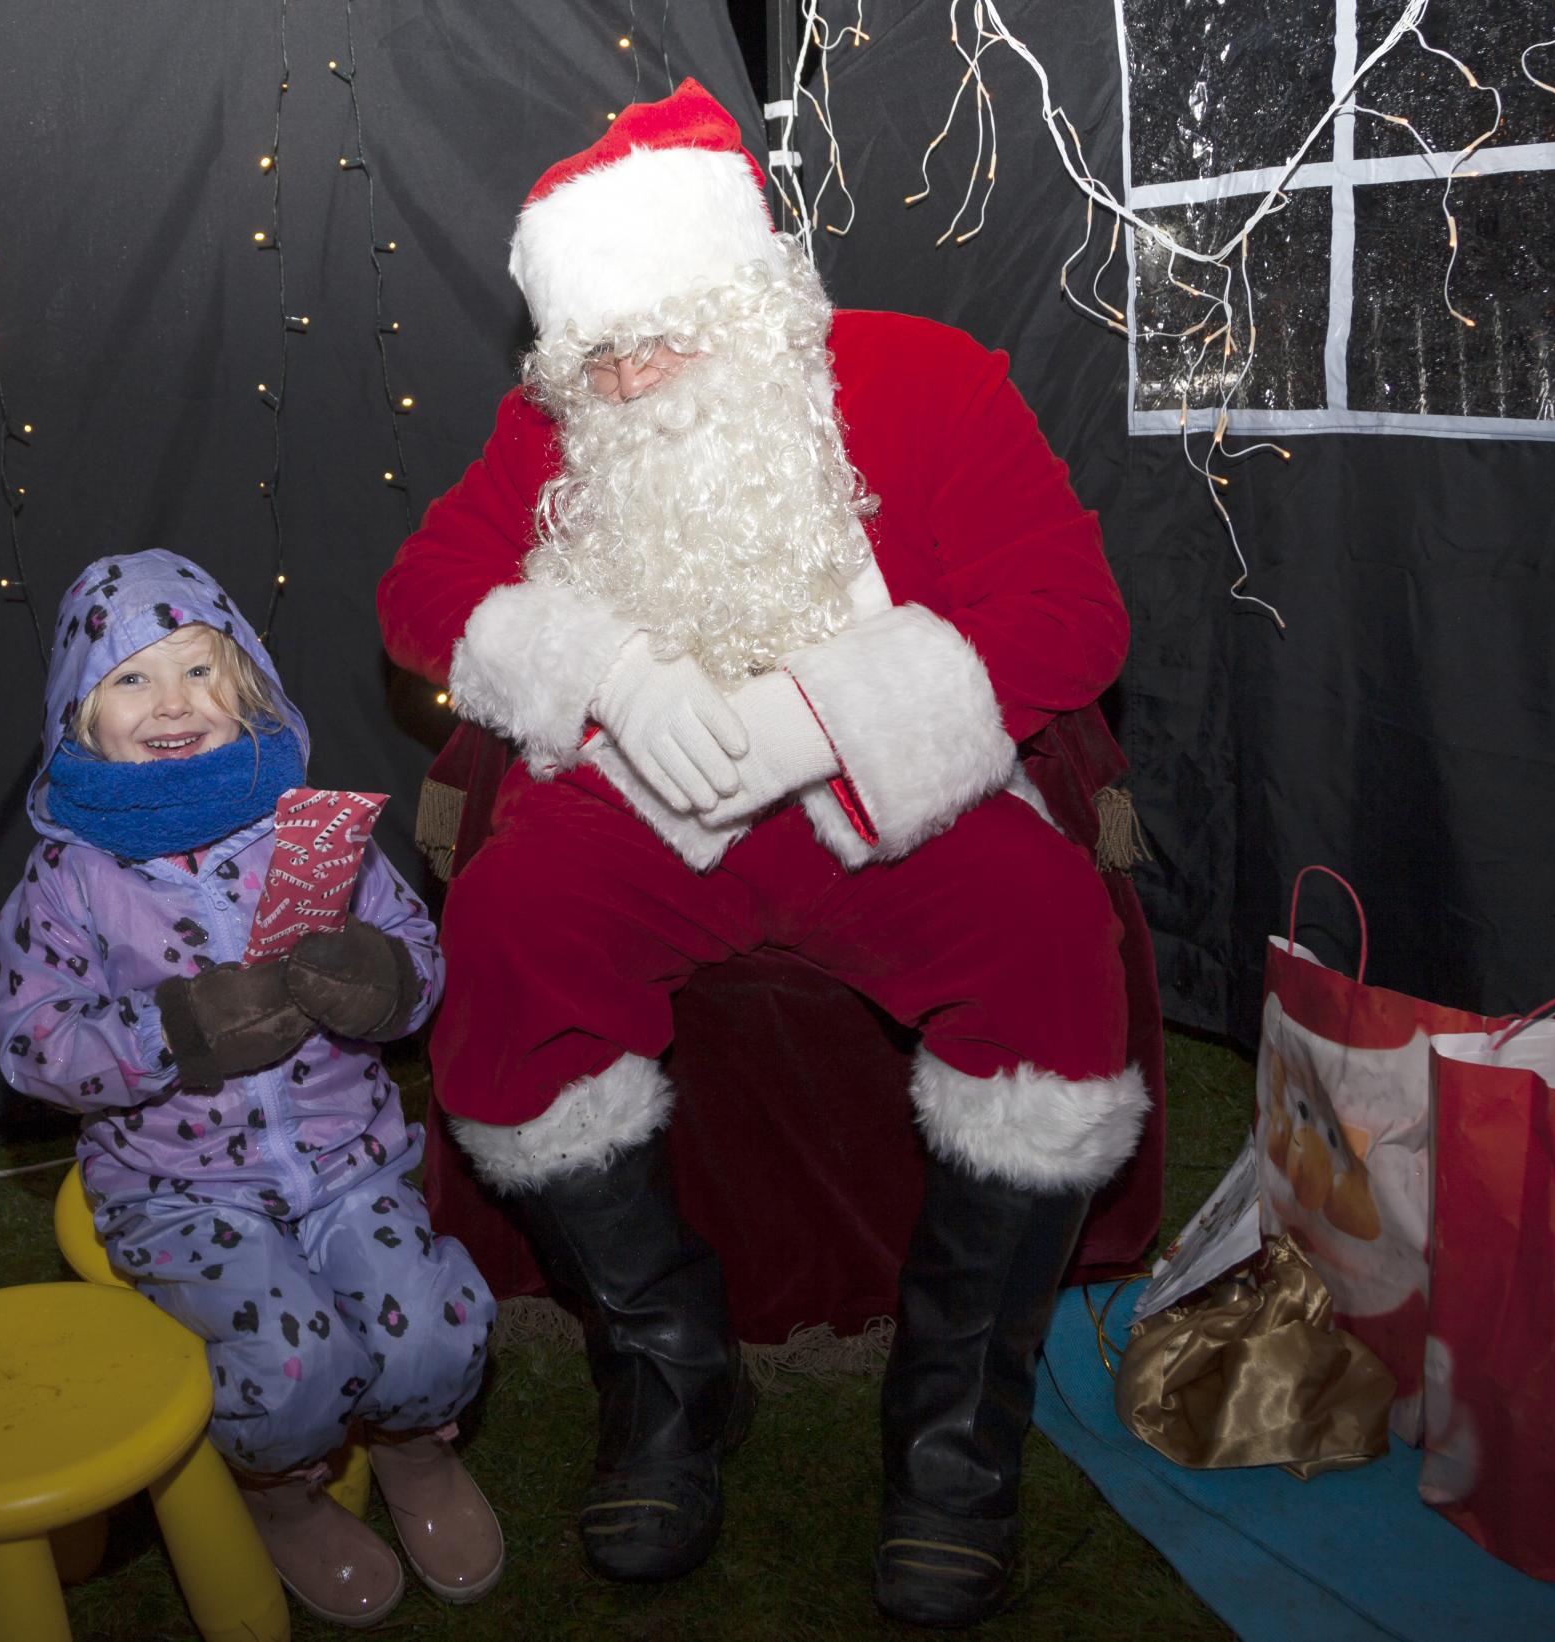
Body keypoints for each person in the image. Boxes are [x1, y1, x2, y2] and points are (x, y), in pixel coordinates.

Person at [376, 79, 1149, 1628]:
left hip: (892, 790)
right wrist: (602, 673)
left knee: (1049, 939)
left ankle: (951, 1428)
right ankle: (672, 1372)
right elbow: (423, 590)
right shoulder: (560, 427)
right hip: (653, 808)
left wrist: (829, 717)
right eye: (603, 355)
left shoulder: (922, 382)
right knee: (517, 926)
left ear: (755, 294)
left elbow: (1075, 614)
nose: (640, 376)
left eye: (667, 333)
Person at [0, 548, 501, 1627]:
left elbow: (415, 946)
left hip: (345, 1156)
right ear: (80, 709)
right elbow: (33, 1043)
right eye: (131, 678)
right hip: (177, 1186)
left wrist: (386, 980)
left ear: (247, 684)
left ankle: (414, 1448)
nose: (172, 704)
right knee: (293, 1359)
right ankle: (278, 1493)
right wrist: (174, 1029)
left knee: (428, 1329)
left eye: (198, 671)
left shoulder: (311, 827)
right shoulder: (70, 875)